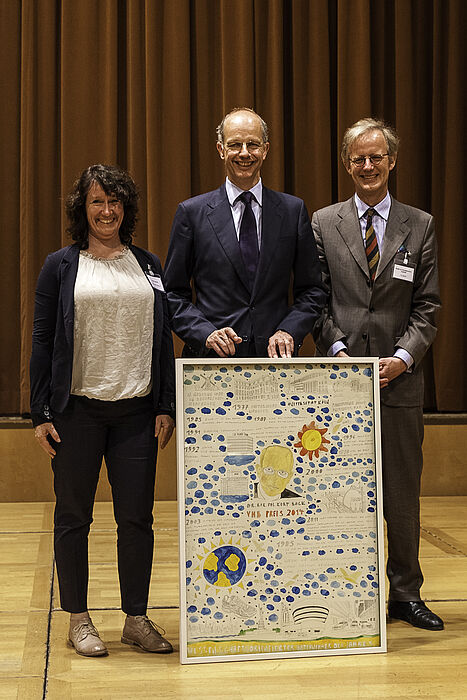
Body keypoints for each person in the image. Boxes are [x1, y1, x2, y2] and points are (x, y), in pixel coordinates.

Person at [30, 164, 176, 656]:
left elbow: (162, 341)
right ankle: (79, 617)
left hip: (137, 413)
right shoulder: (61, 265)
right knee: (74, 517)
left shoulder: (150, 265)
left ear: (126, 208)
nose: (106, 211)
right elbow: (43, 338)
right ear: (82, 208)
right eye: (96, 202)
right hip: (78, 413)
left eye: (114, 202)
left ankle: (135, 618)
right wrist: (40, 411)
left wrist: (165, 404)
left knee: (137, 519)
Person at [312, 118, 443, 631]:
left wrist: (404, 357)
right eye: (358, 159)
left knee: (402, 496)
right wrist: (338, 351)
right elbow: (315, 300)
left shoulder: (421, 224)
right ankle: (345, 594)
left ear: (392, 161)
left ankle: (406, 594)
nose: (368, 166)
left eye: (376, 157)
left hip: (399, 384)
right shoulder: (324, 222)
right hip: (338, 384)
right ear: (347, 165)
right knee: (337, 492)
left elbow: (428, 307)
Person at [164, 107, 326, 358]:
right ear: (220, 150)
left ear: (266, 149)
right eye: (234, 144)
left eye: (252, 144)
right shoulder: (191, 213)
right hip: (213, 364)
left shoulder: (293, 211)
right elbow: (173, 293)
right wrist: (204, 333)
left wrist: (288, 330)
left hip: (275, 363)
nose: (244, 153)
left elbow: (313, 290)